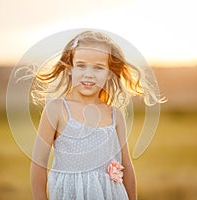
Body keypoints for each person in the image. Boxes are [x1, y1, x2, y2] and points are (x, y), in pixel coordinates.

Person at [29, 30, 164, 200]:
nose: (88, 74)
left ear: (109, 73)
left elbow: (127, 166)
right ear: (69, 68)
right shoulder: (56, 109)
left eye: (98, 68)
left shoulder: (115, 115)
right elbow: (38, 164)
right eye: (81, 65)